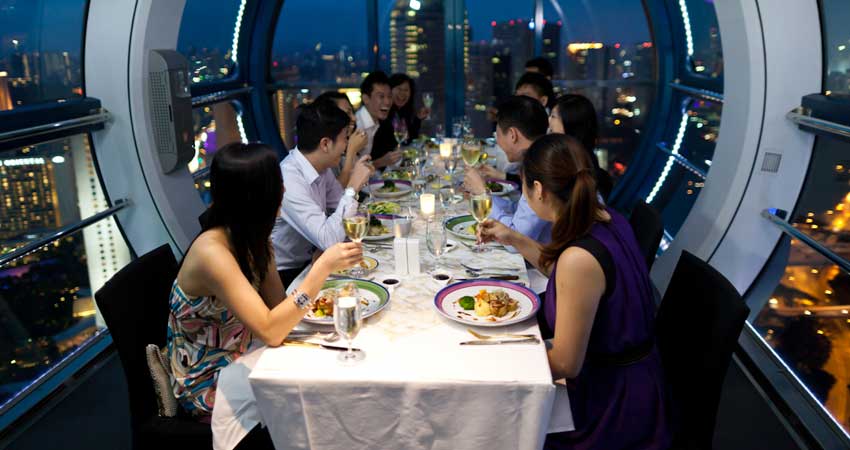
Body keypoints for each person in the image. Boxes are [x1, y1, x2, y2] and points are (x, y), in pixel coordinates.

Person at [478, 134, 671, 449]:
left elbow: (566, 364)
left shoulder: (578, 259)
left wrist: (494, 356)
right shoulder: (608, 219)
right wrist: (511, 237)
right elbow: (571, 278)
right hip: (640, 382)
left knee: (494, 427)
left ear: (538, 190)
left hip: (612, 408)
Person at [166, 142, 364, 447]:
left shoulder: (251, 236)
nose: (283, 192)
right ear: (258, 197)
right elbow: (272, 331)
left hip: (245, 348)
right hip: (209, 379)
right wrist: (321, 269)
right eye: (277, 185)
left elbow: (278, 307)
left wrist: (315, 287)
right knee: (318, 387)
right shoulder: (212, 253)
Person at [272, 99, 373, 288]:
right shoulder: (288, 179)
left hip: (314, 259)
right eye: (345, 138)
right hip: (286, 276)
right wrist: (352, 188)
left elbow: (341, 213)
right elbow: (329, 239)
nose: (347, 146)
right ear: (325, 144)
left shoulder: (322, 168)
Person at [464, 96, 551, 244]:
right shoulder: (542, 155)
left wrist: (482, 194)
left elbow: (516, 240)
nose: (497, 141)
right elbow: (520, 210)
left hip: (542, 263)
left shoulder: (541, 168)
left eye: (497, 134)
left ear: (512, 134)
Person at [549, 94, 614, 200]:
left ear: (569, 123)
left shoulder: (574, 163)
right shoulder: (583, 156)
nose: (549, 121)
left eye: (553, 116)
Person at [314, 91, 369, 187]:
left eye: (352, 112)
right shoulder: (322, 147)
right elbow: (335, 194)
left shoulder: (345, 141)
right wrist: (351, 151)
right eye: (347, 113)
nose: (354, 118)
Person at [355, 71, 402, 169]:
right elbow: (352, 172)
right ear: (366, 99)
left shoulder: (374, 122)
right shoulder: (357, 126)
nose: (387, 102)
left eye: (389, 96)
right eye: (381, 96)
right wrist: (380, 162)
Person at [389, 73, 430, 145]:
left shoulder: (404, 111)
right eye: (399, 89)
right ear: (389, 90)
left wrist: (418, 118)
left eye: (406, 90)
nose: (402, 93)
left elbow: (410, 139)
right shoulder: (383, 113)